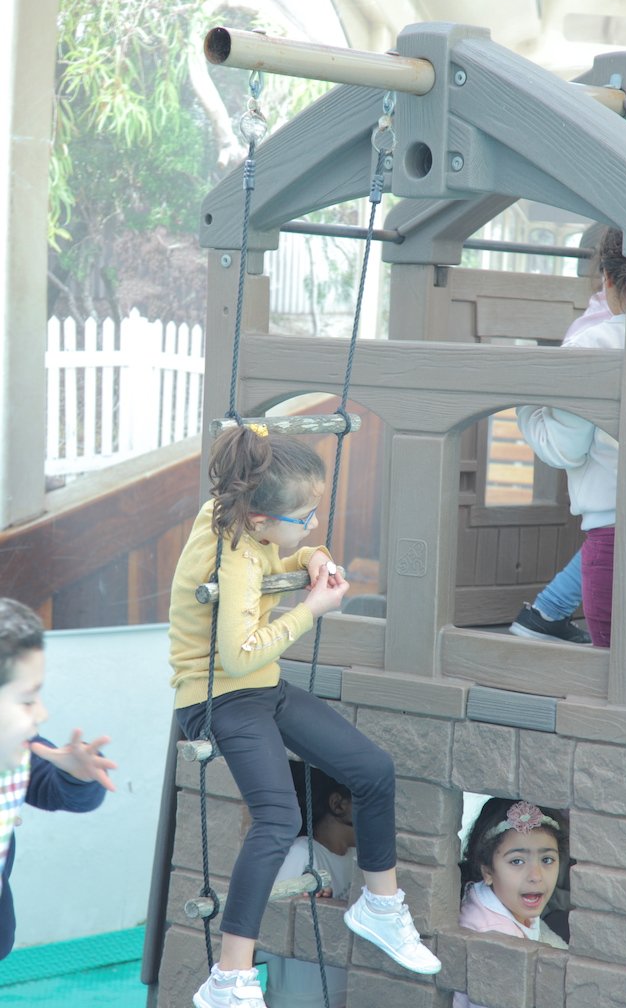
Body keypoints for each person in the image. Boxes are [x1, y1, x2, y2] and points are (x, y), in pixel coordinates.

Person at [169, 426, 441, 1008]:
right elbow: (238, 654)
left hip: (260, 689)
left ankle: (380, 904)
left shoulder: (231, 514)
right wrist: (311, 608)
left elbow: (280, 549)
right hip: (216, 698)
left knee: (372, 768)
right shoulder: (235, 557)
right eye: (305, 518)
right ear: (261, 517)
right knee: (277, 817)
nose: (314, 523)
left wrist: (309, 555)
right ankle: (229, 977)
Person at [515, 228, 626, 647]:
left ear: (608, 278)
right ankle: (546, 612)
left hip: (613, 533)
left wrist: (526, 406)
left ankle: (544, 613)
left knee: (613, 665)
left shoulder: (593, 344)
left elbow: (565, 448)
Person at [0, 598, 116, 960]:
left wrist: (76, 775)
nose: (42, 713)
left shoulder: (18, 750)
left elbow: (55, 789)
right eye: (26, 699)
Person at [256, 761, 355, 1008]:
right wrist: (303, 910)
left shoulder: (358, 859)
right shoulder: (300, 854)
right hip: (296, 1000)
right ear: (338, 804)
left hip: (343, 994)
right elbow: (266, 931)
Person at [454, 798, 569, 1008]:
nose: (536, 876)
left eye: (547, 860)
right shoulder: (496, 942)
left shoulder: (496, 897)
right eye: (517, 861)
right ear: (487, 871)